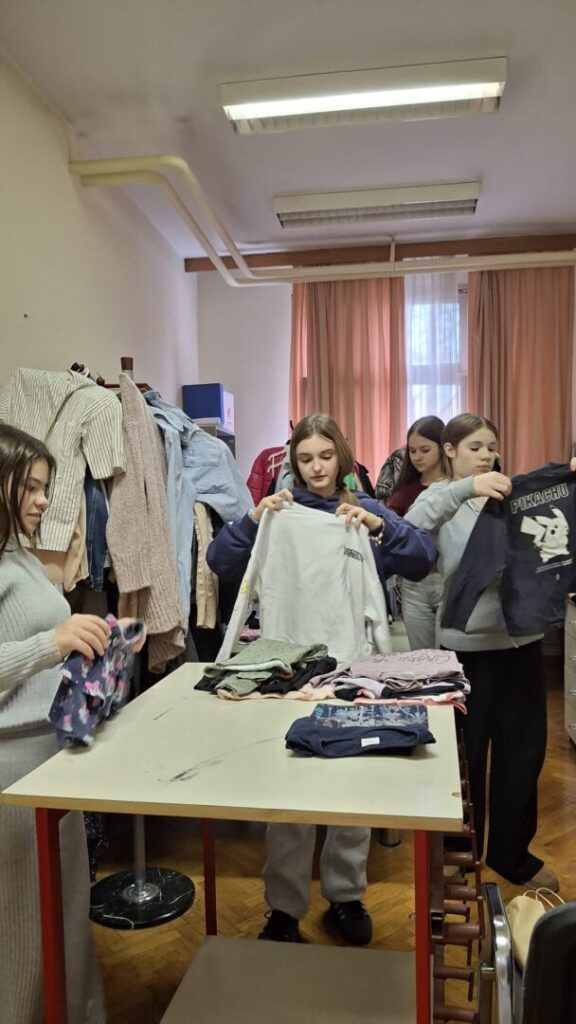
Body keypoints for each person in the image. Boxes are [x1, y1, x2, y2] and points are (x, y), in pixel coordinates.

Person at [206, 412, 437, 945]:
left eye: (325, 456)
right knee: (288, 789)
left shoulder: (363, 511)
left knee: (349, 788)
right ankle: (283, 908)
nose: (316, 468)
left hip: (352, 670)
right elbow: (221, 561)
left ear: (342, 457)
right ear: (293, 462)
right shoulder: (278, 513)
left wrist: (381, 526)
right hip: (286, 668)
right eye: (305, 458)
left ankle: (346, 896)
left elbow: (423, 557)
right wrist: (252, 520)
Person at [1, 424, 130, 1023]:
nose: (44, 500)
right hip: (12, 776)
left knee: (65, 909)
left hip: (50, 759)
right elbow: (33, 649)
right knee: (24, 926)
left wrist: (92, 645)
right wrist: (52, 643)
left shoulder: (18, 555)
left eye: (44, 486)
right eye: (30, 486)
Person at [405, 413, 558, 891]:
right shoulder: (439, 498)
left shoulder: (513, 495)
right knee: (464, 759)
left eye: (491, 446)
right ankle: (459, 852)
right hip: (466, 651)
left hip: (522, 644)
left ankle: (512, 854)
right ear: (449, 450)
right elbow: (408, 531)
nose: (487, 455)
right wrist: (464, 489)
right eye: (475, 447)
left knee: (522, 754)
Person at [387, 416, 446, 649]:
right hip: (414, 583)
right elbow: (392, 534)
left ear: (443, 448)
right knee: (422, 658)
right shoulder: (404, 491)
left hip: (448, 580)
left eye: (425, 450)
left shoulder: (457, 486)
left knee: (450, 658)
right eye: (412, 451)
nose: (417, 457)